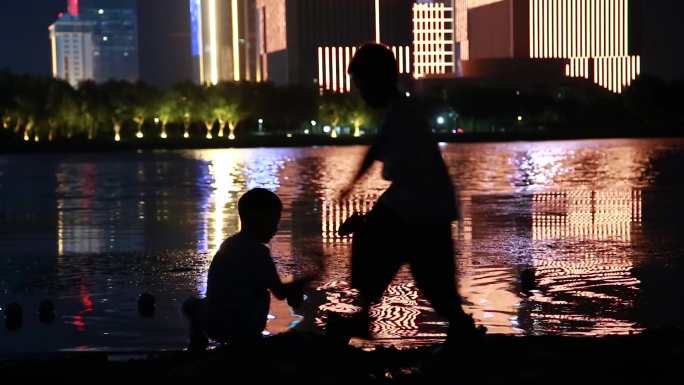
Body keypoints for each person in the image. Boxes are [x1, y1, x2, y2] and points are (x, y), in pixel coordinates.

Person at [337, 43, 484, 344]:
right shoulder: (400, 112)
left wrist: (364, 208)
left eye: (362, 85)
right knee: (433, 280)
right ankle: (461, 329)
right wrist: (355, 187)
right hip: (422, 206)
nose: (360, 94)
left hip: (420, 208)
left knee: (428, 277)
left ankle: (365, 316)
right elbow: (379, 151)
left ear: (377, 81)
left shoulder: (402, 115)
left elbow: (387, 157)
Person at [205, 188, 310, 347]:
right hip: (243, 327)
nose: (276, 229)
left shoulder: (228, 245)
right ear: (259, 219)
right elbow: (280, 292)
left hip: (216, 325)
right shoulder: (258, 252)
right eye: (274, 222)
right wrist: (303, 282)